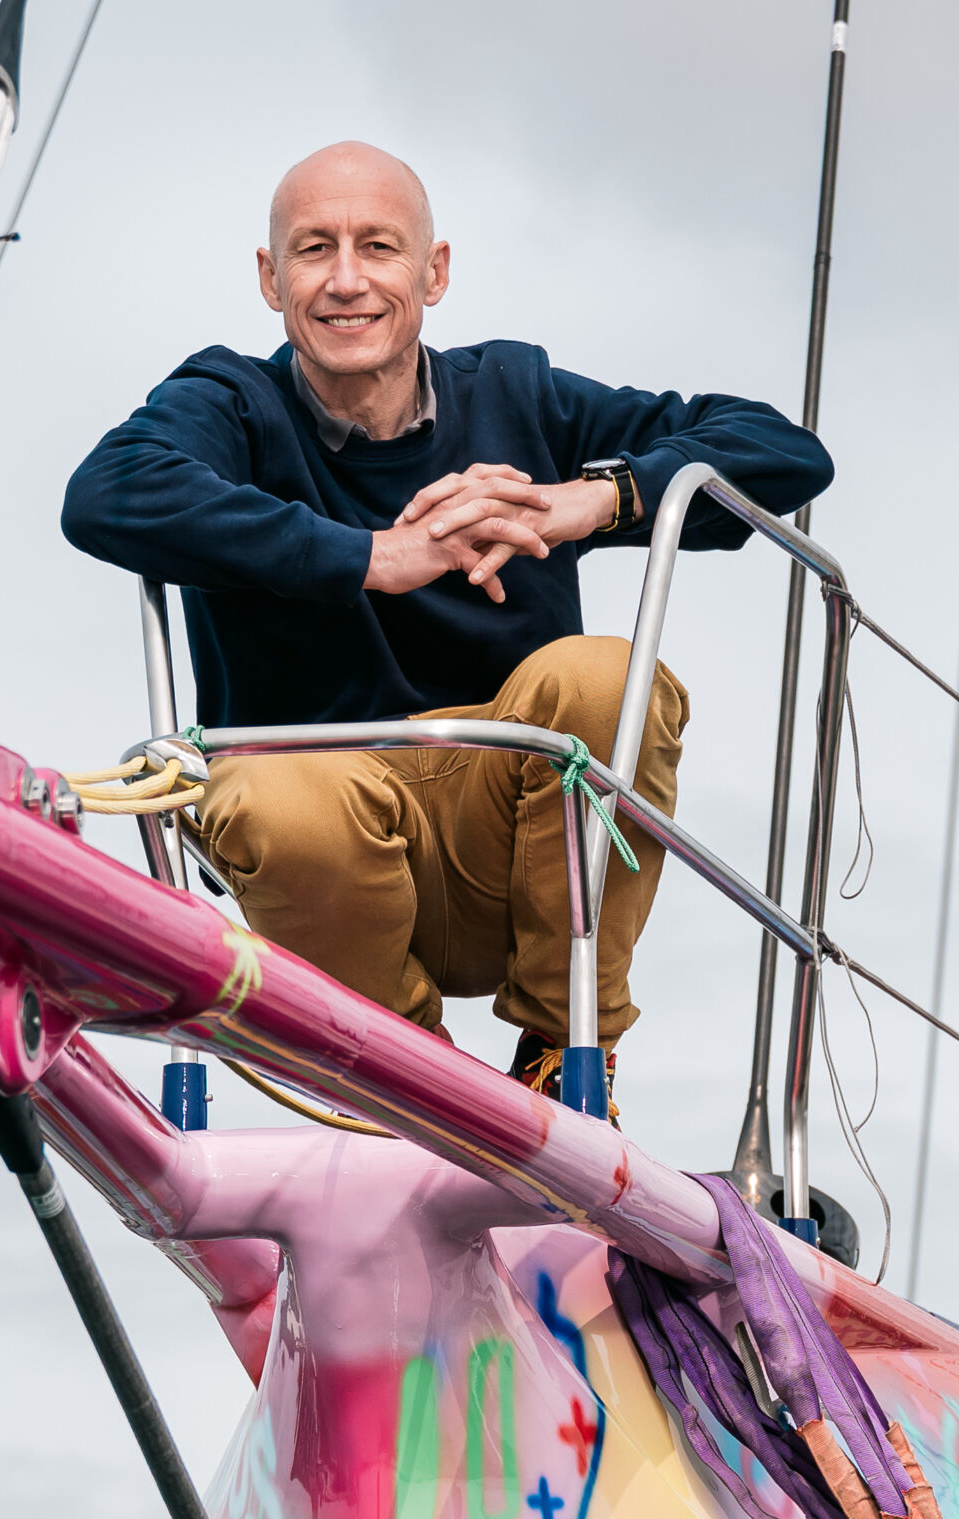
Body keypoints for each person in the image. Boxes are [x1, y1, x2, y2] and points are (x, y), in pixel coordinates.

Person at [62, 140, 832, 1095]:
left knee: (602, 675)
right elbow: (106, 493)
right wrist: (373, 557)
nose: (347, 280)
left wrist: (594, 500)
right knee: (264, 792)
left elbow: (784, 449)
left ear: (434, 272)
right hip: (325, 853)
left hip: (505, 843)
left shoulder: (517, 394)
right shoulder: (232, 404)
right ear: (271, 278)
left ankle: (564, 1052)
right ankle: (425, 1085)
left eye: (379, 247)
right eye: (314, 249)